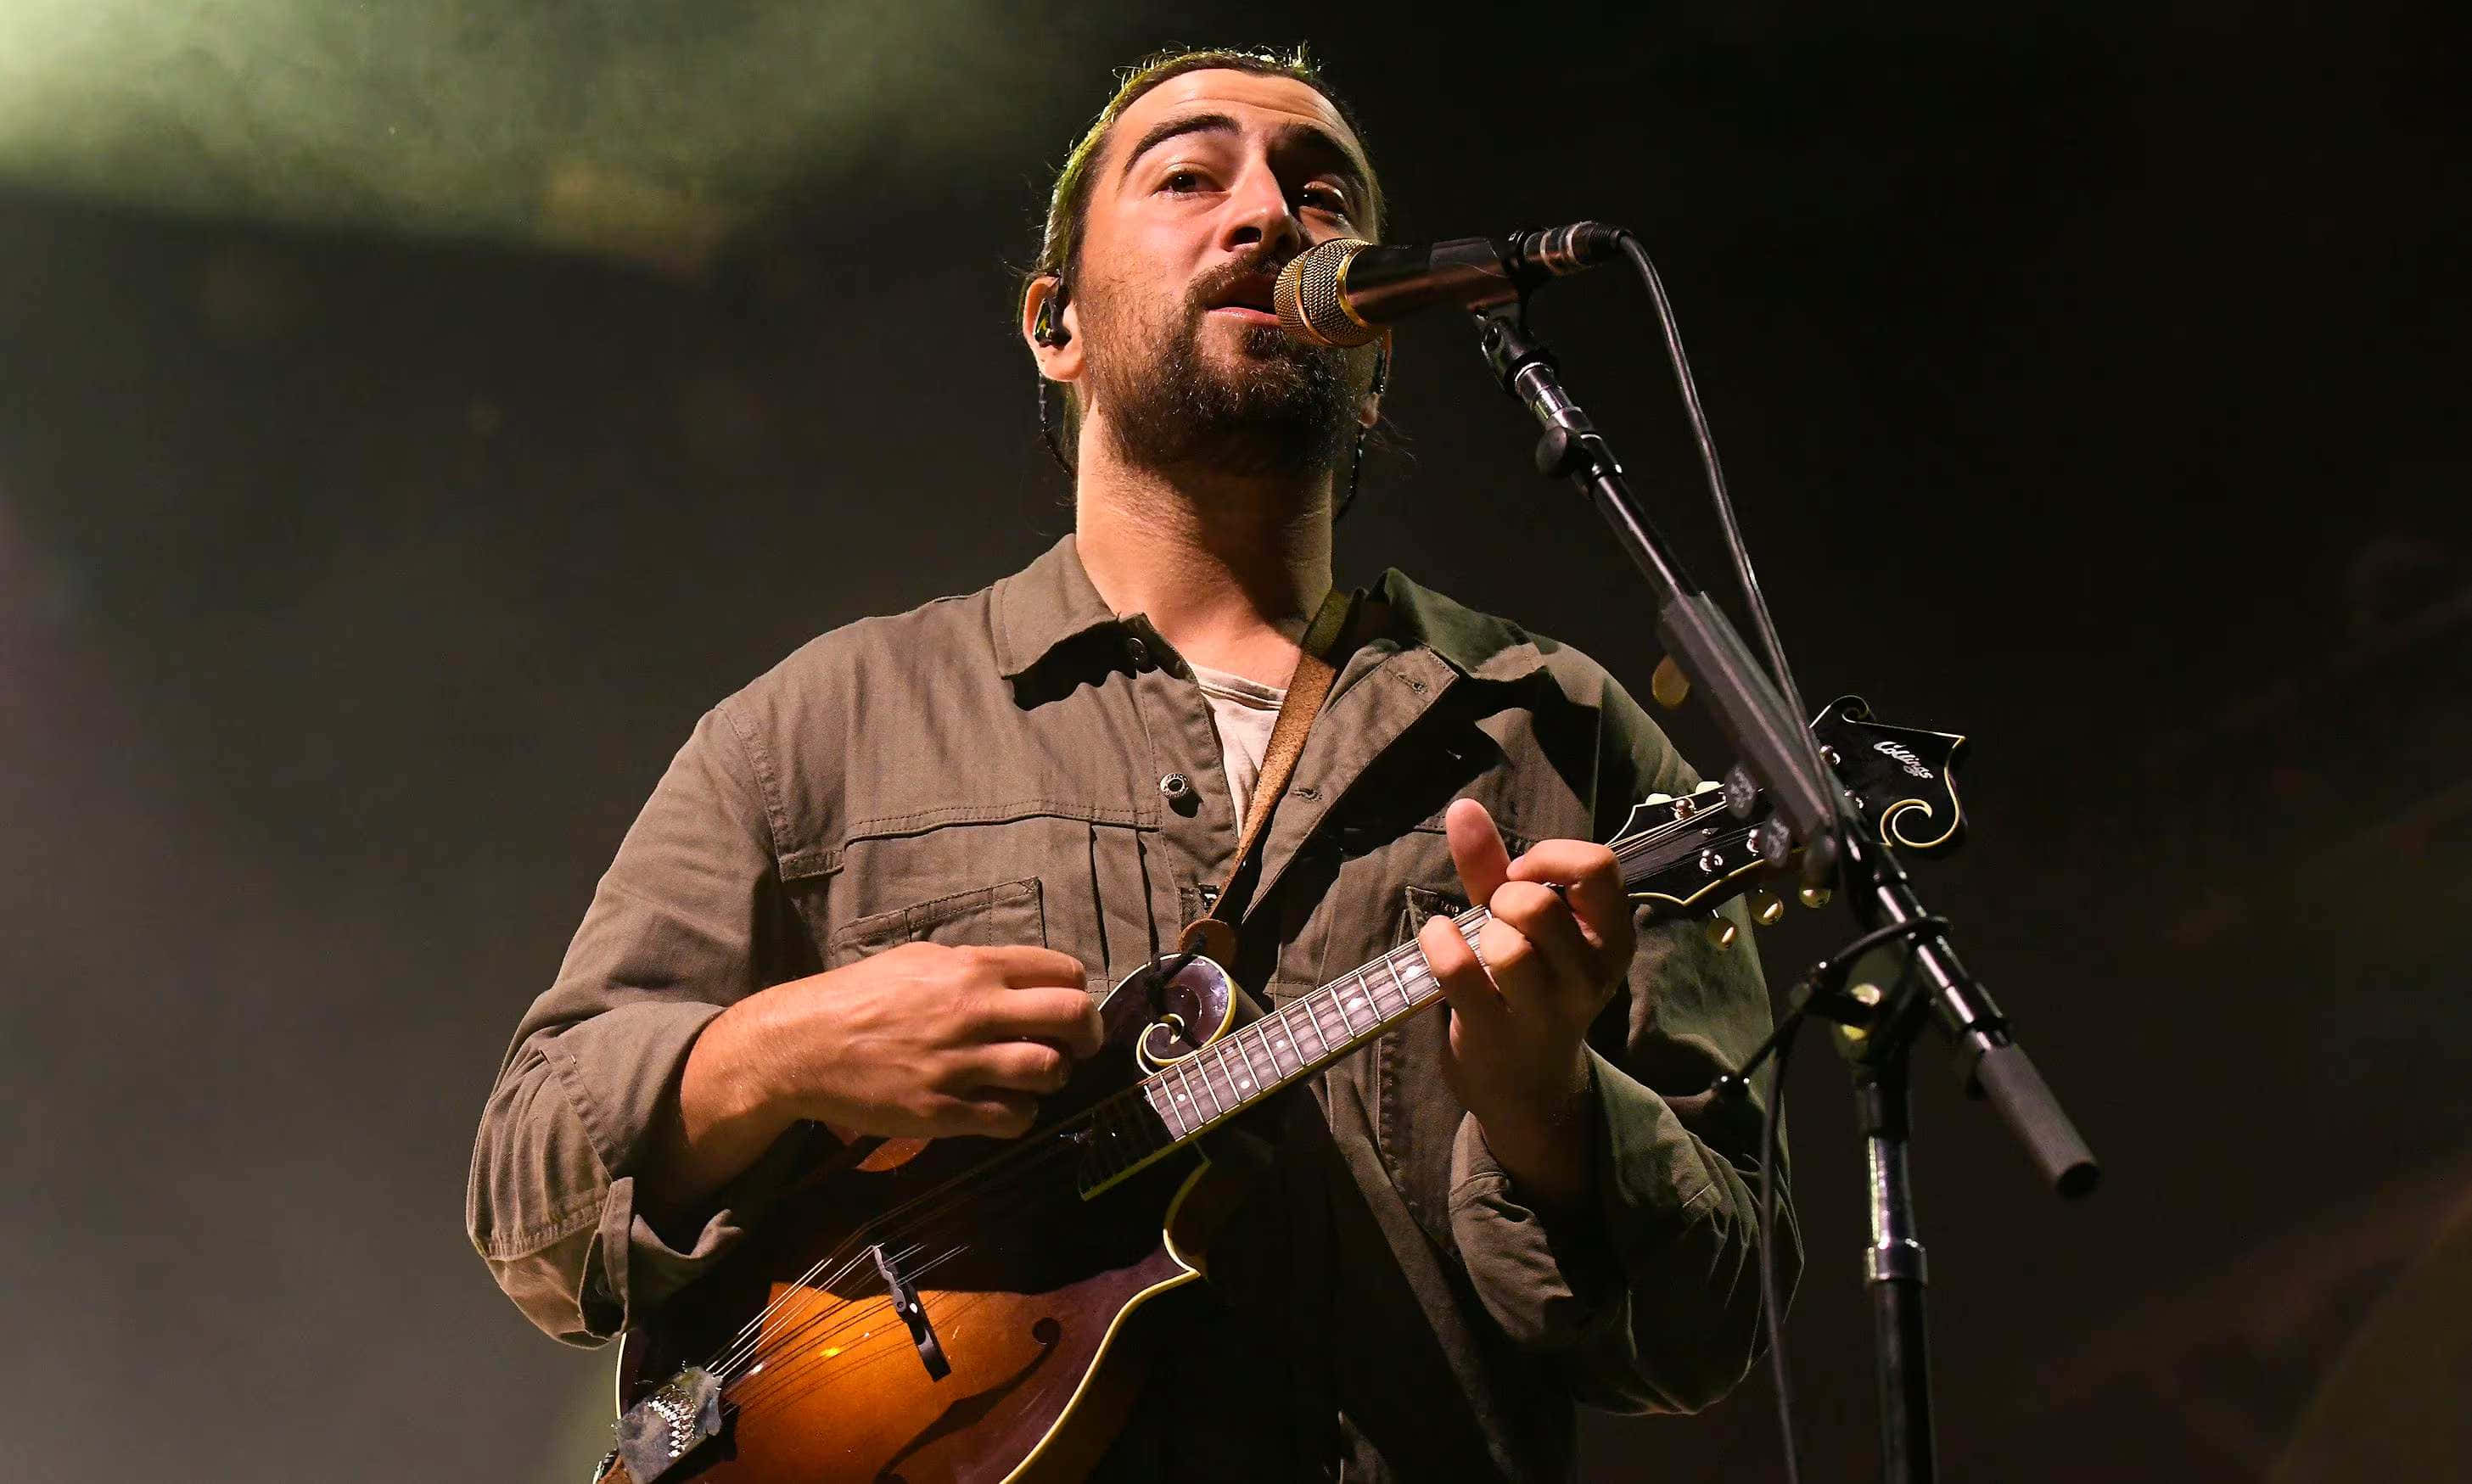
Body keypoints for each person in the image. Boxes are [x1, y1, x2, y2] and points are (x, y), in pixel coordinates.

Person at [467, 45, 1797, 1483]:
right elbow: (530, 1189)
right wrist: (778, 1050)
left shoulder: (1557, 727)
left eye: (1321, 197)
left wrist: (1547, 1109)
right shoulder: (822, 726)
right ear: (1056, 325)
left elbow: (1713, 1326)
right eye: (1187, 176)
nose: (1268, 215)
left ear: (1376, 350)